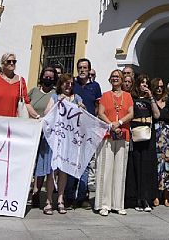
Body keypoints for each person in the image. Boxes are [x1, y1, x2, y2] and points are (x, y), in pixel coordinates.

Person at [36, 73, 81, 215]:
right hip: (55, 139)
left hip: (68, 140)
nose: (69, 86)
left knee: (64, 170)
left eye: (71, 83)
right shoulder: (55, 97)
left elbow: (82, 116)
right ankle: (49, 200)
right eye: (66, 83)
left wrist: (81, 107)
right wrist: (58, 103)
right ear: (61, 84)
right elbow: (47, 113)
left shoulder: (77, 98)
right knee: (51, 170)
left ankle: (60, 199)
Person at [95, 70, 134, 216]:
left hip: (123, 134)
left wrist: (120, 122)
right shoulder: (105, 95)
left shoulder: (128, 96)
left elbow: (131, 113)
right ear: (110, 79)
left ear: (122, 79)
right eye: (113, 77)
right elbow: (101, 112)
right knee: (106, 169)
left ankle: (118, 204)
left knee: (120, 170)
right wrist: (111, 124)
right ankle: (104, 204)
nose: (115, 79)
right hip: (107, 135)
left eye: (118, 77)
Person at [68, 58, 101, 209]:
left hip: (88, 130)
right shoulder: (72, 84)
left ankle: (83, 196)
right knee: (70, 162)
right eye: (80, 67)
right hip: (72, 130)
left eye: (85, 68)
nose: (82, 70)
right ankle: (69, 197)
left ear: (89, 70)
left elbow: (97, 107)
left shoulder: (95, 86)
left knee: (86, 164)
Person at [127, 74, 160, 212]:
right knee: (136, 165)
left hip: (148, 136)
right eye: (142, 83)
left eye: (146, 83)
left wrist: (151, 97)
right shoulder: (131, 98)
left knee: (146, 167)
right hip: (135, 135)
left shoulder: (149, 99)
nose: (144, 85)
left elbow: (157, 115)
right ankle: (137, 198)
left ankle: (146, 198)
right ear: (138, 84)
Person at [30, 67, 59, 207]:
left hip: (47, 134)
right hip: (32, 130)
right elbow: (26, 104)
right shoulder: (34, 91)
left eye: (51, 77)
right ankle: (30, 190)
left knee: (42, 163)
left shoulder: (55, 94)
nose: (48, 79)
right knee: (31, 162)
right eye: (46, 76)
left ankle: (36, 192)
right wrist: (36, 116)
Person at [150, 77, 169, 207]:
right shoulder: (150, 100)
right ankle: (156, 193)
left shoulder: (168, 101)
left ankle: (166, 193)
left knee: (167, 163)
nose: (159, 88)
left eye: (161, 86)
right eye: (157, 86)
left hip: (167, 133)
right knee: (157, 163)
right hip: (155, 132)